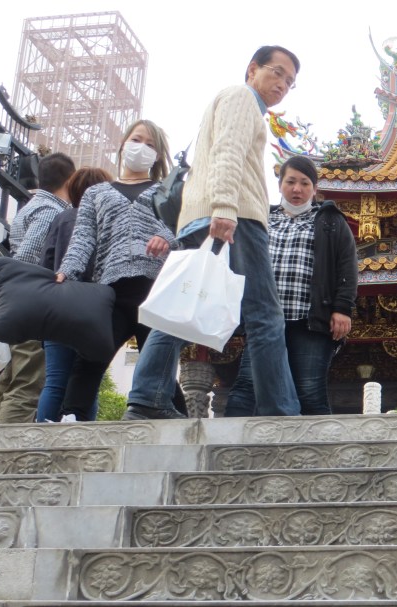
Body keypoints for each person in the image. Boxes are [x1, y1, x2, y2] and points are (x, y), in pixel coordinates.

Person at [123, 45, 303, 420]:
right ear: (252, 69)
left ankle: (147, 397)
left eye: (290, 81)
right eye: (277, 73)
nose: (283, 84)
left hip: (203, 215)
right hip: (233, 217)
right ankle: (280, 411)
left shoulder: (237, 103)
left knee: (181, 305)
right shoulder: (241, 97)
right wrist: (225, 208)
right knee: (265, 316)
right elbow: (229, 151)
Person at [54, 120, 177, 421]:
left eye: (151, 144)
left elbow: (182, 228)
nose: (142, 148)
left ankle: (175, 415)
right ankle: (72, 415)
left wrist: (168, 237)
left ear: (159, 155)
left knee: (158, 362)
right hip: (111, 288)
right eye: (137, 140)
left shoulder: (168, 190)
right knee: (92, 353)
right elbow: (83, 237)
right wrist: (67, 271)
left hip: (156, 288)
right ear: (123, 144)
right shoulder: (96, 193)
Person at [225, 155, 357, 416]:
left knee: (309, 390)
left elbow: (347, 266)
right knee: (247, 386)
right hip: (264, 320)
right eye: (291, 181)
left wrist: (342, 308)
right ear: (280, 184)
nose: (297, 189)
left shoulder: (330, 220)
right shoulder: (261, 218)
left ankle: (320, 455)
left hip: (310, 318)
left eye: (305, 183)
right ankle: (227, 451)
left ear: (315, 189)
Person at [0, 152, 75, 424]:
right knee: (27, 386)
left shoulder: (32, 205)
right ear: (70, 179)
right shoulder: (51, 211)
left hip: (15, 304)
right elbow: (27, 255)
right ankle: (5, 457)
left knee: (8, 385)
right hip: (32, 306)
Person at [36, 166, 113, 422]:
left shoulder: (62, 218)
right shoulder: (108, 220)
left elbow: (45, 264)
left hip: (58, 305)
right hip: (95, 308)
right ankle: (82, 437)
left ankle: (40, 437)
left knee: (55, 380)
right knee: (87, 380)